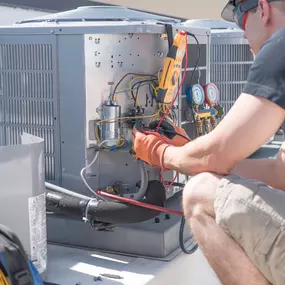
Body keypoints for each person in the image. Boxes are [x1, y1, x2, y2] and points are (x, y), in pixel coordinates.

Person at [131, 0, 285, 284]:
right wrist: (191, 153)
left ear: (262, 9)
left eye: (241, 17)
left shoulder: (280, 48)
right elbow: (280, 172)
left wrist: (162, 153)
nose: (241, 32)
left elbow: (216, 153)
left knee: (199, 194)